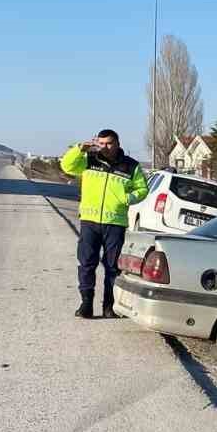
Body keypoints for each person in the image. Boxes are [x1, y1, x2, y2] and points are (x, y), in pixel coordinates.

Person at [59, 129, 148, 319]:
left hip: (115, 222)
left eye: (109, 143)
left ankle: (109, 306)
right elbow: (67, 166)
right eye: (101, 143)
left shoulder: (130, 166)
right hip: (90, 221)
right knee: (86, 264)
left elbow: (142, 189)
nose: (104, 147)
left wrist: (127, 198)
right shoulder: (89, 160)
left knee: (112, 267)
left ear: (117, 143)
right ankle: (86, 304)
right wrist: (78, 149)